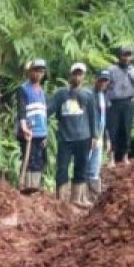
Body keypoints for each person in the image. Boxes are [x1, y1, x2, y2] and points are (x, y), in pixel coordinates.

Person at [48, 63, 97, 206]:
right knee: (62, 167)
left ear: (84, 77)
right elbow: (49, 110)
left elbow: (93, 116)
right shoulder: (61, 94)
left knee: (81, 167)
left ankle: (76, 198)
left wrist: (94, 136)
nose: (77, 77)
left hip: (84, 137)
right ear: (69, 76)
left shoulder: (88, 95)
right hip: (65, 138)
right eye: (74, 74)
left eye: (80, 74)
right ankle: (61, 200)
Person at [17, 58, 49, 193]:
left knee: (39, 160)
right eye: (36, 71)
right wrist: (24, 127)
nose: (38, 74)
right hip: (29, 131)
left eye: (41, 72)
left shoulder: (41, 90)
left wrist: (46, 133)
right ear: (30, 72)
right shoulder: (24, 89)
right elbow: (22, 110)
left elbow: (43, 113)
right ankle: (27, 187)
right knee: (29, 159)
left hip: (41, 132)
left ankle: (35, 187)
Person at [106, 46, 134, 164]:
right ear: (120, 56)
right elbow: (106, 86)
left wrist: (132, 98)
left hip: (127, 102)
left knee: (126, 129)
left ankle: (125, 156)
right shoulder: (111, 70)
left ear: (132, 56)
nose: (126, 58)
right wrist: (107, 101)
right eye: (124, 55)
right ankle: (111, 158)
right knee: (112, 130)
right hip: (114, 103)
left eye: (129, 55)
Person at [88, 69, 111, 198]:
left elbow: (104, 118)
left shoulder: (104, 96)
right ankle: (82, 195)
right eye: (101, 80)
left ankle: (93, 197)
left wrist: (107, 138)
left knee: (95, 168)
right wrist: (92, 135)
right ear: (95, 79)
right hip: (90, 137)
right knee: (86, 165)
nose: (103, 83)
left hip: (100, 136)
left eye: (106, 80)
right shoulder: (89, 95)